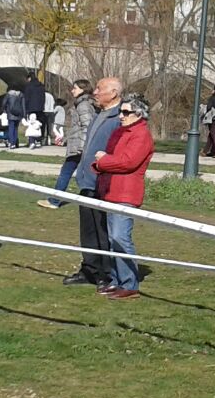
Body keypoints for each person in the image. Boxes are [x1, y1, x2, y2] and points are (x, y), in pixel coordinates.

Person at [93, 92, 155, 299]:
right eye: (121, 111)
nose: (121, 115)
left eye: (126, 112)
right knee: (112, 239)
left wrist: (103, 161)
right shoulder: (121, 132)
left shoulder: (141, 135)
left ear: (139, 114)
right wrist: (101, 163)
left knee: (120, 237)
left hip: (126, 194)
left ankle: (129, 284)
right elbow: (115, 159)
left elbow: (128, 162)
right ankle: (116, 280)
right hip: (111, 191)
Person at [63, 76, 123, 288]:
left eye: (99, 88)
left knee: (102, 230)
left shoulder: (119, 118)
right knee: (88, 230)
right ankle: (89, 269)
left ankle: (105, 274)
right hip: (87, 181)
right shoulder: (99, 114)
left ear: (113, 93)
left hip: (102, 183)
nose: (95, 92)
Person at [41, 79, 94, 209]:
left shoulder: (83, 105)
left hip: (79, 148)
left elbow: (87, 126)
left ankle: (55, 201)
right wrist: (66, 139)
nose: (72, 90)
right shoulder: (83, 103)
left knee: (66, 173)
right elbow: (77, 128)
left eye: (75, 88)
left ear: (83, 89)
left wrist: (81, 147)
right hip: (79, 145)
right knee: (82, 175)